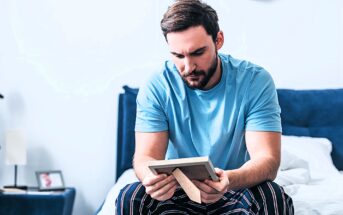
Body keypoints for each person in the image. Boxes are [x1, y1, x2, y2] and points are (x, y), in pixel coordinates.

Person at [116, 0, 294, 214]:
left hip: (234, 186)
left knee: (272, 195)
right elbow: (145, 157)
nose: (188, 67)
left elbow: (267, 160)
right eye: (178, 56)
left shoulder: (255, 81)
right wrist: (150, 178)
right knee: (130, 196)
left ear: (218, 40)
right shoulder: (157, 86)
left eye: (198, 53)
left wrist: (229, 180)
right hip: (177, 191)